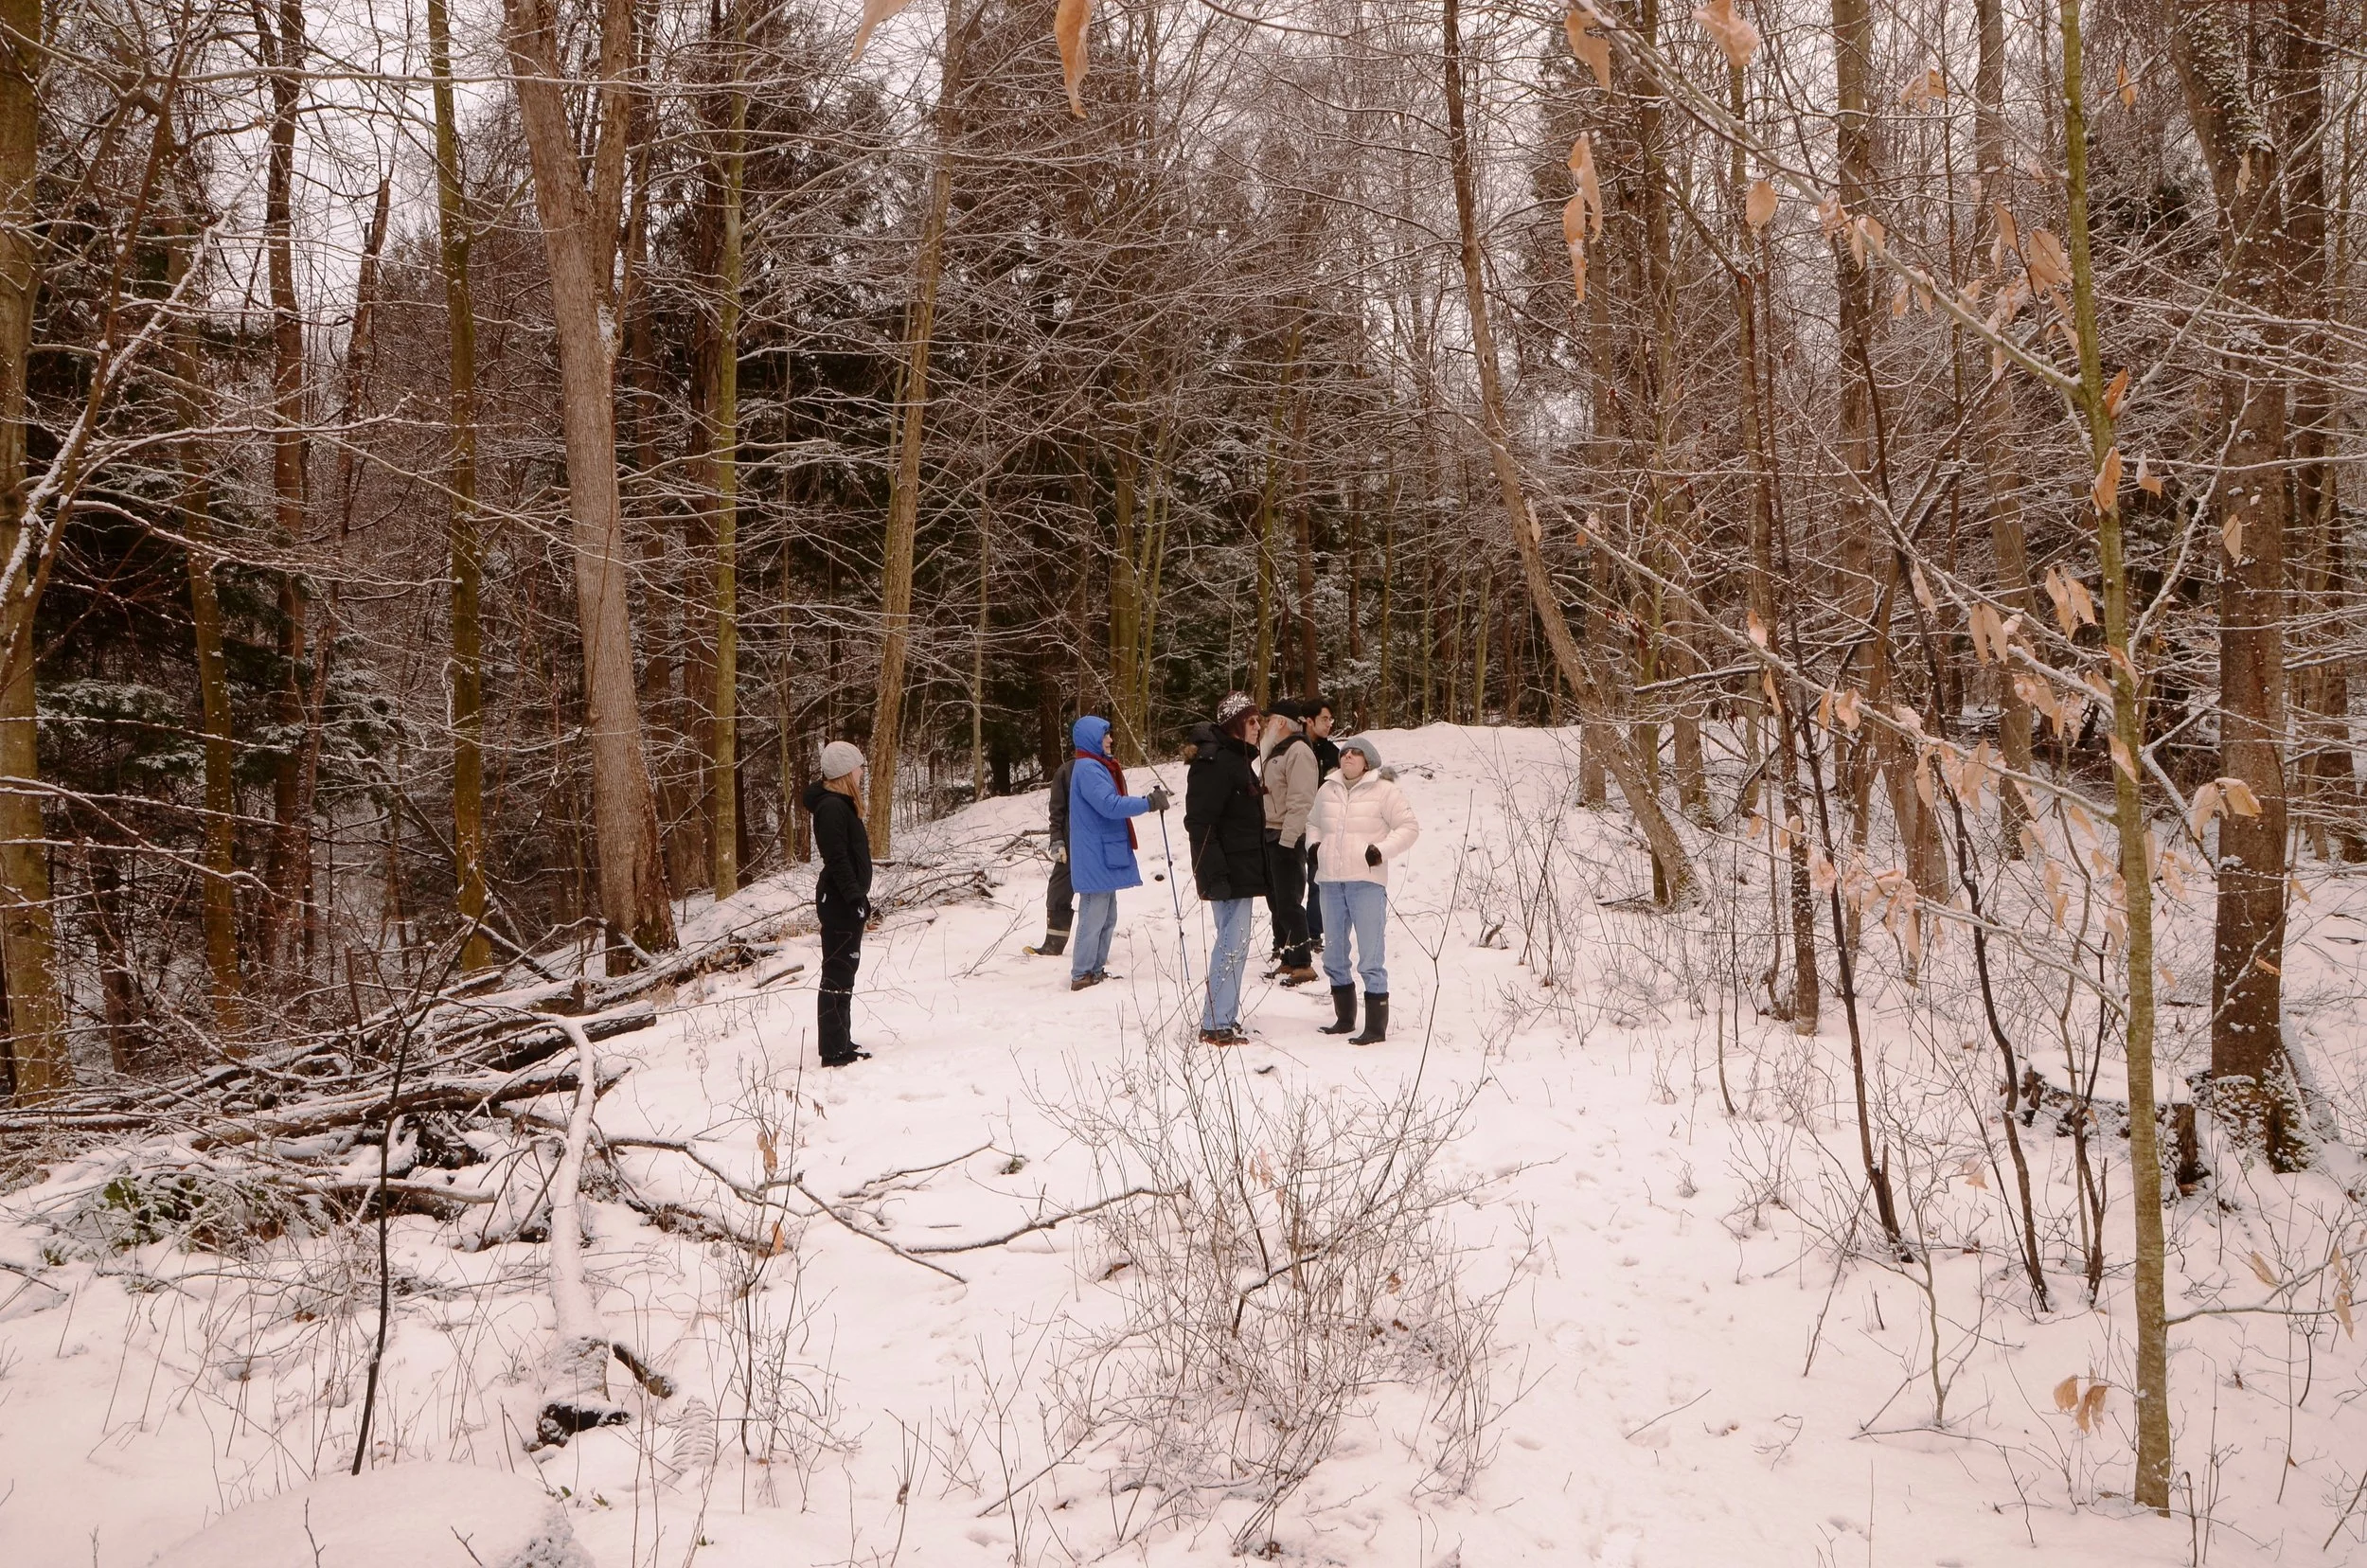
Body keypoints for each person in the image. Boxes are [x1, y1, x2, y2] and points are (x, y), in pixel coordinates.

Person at [1304, 734, 1418, 1043]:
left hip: (1366, 883)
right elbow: (1312, 822)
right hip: (1329, 882)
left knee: (1370, 956)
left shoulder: (1385, 791)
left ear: (1368, 761)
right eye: (1345, 753)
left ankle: (1375, 1028)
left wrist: (1380, 850)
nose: (1348, 757)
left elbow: (1409, 828)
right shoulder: (1327, 789)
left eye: (1356, 753)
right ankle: (1344, 1019)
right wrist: (1314, 846)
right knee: (1334, 956)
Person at [1184, 692, 1270, 1044]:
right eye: (1251, 721)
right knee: (1231, 946)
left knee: (1236, 944)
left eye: (1258, 720)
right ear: (1235, 724)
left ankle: (1224, 1016)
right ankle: (1216, 1023)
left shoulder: (1235, 760)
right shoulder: (1216, 763)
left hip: (1240, 868)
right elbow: (1201, 824)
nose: (1258, 726)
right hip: (1227, 873)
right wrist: (1215, 875)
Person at [1064, 715, 1171, 991]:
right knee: (1094, 913)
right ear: (1091, 739)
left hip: (1102, 850)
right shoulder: (1089, 768)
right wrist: (1147, 803)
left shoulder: (1098, 766)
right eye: (1105, 736)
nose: (1110, 740)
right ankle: (1082, 973)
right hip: (1094, 852)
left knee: (1107, 915)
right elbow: (1109, 805)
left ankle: (1095, 969)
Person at [805, 740, 874, 1067]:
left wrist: (858, 896)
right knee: (837, 972)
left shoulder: (840, 805)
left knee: (845, 971)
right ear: (846, 772)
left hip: (843, 900)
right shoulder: (832, 807)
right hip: (838, 902)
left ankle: (840, 1040)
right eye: (859, 767)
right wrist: (854, 897)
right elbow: (837, 859)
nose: (862, 772)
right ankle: (834, 1051)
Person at [1258, 699, 1320, 986]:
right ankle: (1287, 957)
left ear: (1281, 722)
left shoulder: (1299, 751)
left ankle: (1303, 963)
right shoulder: (1276, 751)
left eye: (1270, 719)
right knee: (1277, 901)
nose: (1265, 724)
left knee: (1290, 901)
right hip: (1270, 833)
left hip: (1287, 836)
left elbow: (1301, 801)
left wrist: (1288, 839)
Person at [1026, 753, 1077, 956]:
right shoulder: (1066, 771)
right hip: (1069, 842)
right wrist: (1057, 839)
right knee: (1058, 891)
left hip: (1094, 845)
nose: (1109, 741)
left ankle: (1094, 952)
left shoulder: (1107, 769)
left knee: (1099, 898)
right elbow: (1056, 811)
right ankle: (1053, 945)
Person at [1301, 696, 1340, 952]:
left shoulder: (1333, 753)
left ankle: (1314, 932)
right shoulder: (1292, 747)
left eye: (1330, 719)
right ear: (1309, 720)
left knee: (1318, 880)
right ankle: (1288, 937)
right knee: (1291, 885)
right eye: (1324, 719)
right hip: (1293, 823)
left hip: (1321, 825)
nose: (1329, 725)